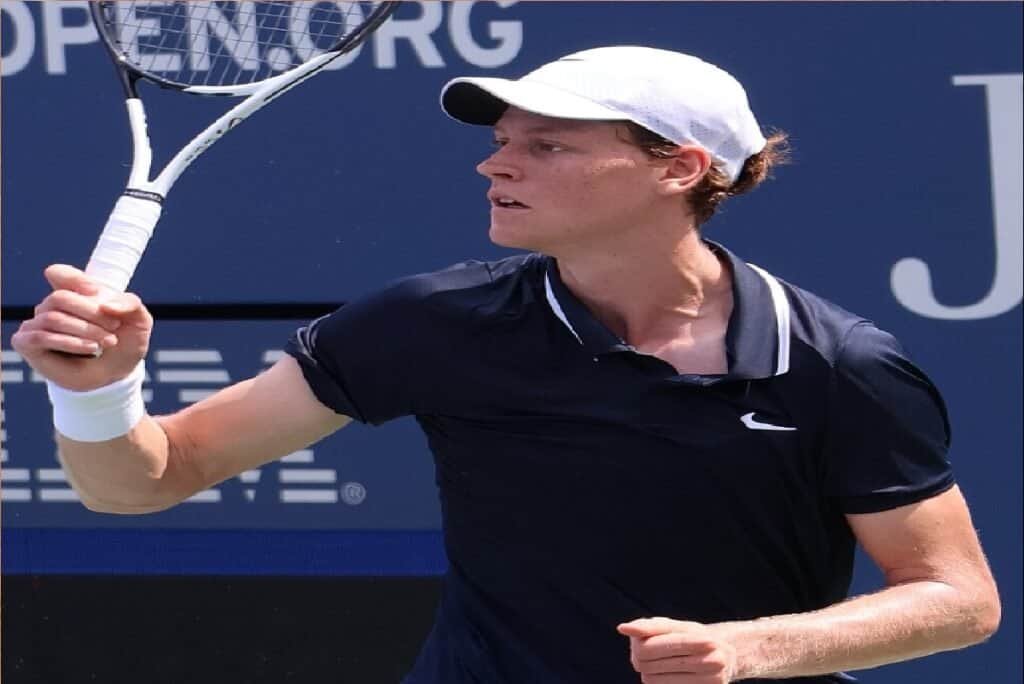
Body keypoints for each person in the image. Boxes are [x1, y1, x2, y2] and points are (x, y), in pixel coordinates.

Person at [13, 46, 1000, 684]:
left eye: (548, 145)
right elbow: (148, 479)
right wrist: (96, 390)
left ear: (679, 167)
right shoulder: (433, 323)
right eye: (499, 142)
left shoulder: (836, 365)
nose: (497, 164)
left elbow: (957, 600)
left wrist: (750, 649)